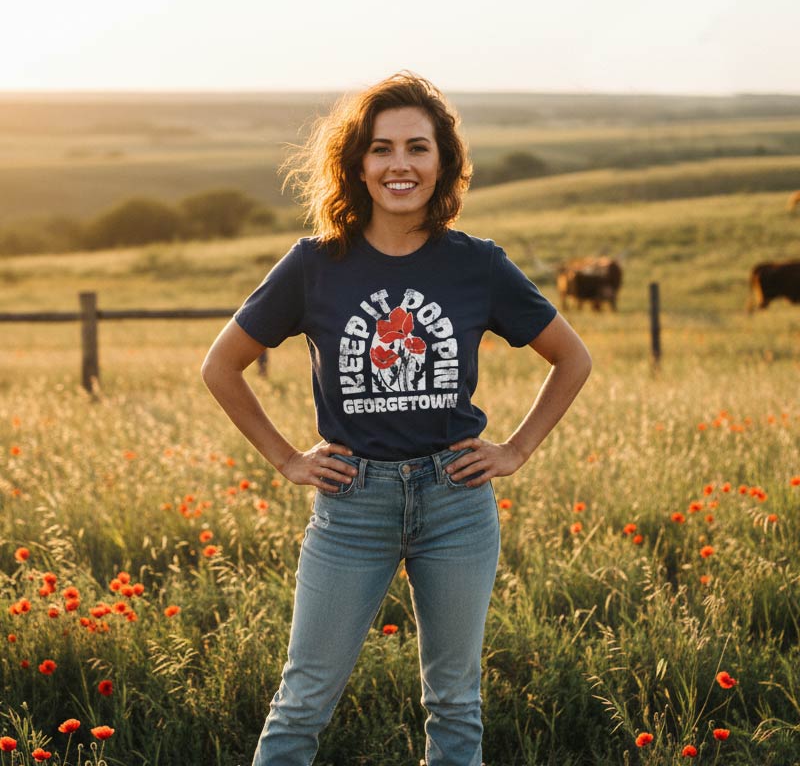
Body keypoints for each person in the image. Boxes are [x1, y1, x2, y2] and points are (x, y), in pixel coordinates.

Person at [201, 72, 592, 766]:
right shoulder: (316, 264)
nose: (399, 164)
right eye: (381, 149)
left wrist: (517, 449)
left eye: (418, 147)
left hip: (456, 501)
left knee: (455, 703)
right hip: (352, 505)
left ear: (443, 163)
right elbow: (221, 366)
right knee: (302, 701)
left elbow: (572, 357)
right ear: (358, 164)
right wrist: (287, 458)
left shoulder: (478, 265)